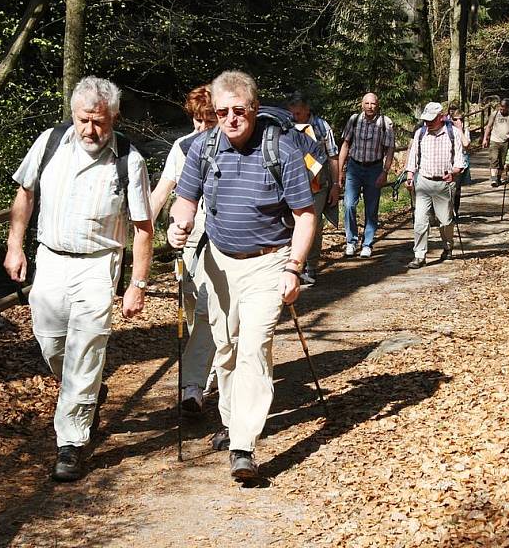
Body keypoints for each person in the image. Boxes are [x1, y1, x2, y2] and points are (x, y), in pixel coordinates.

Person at [167, 70, 315, 479]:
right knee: (226, 349)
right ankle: (232, 424)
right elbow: (185, 200)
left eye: (239, 111)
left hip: (269, 262)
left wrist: (294, 269)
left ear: (253, 108)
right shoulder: (203, 147)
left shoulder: (281, 150)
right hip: (219, 262)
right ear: (213, 113)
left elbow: (305, 216)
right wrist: (178, 225)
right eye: (222, 112)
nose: (231, 119)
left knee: (253, 348)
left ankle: (244, 446)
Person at [4, 76, 153, 481]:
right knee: (51, 342)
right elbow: (25, 194)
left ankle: (71, 442)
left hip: (98, 264)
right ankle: (87, 393)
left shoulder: (129, 160)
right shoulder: (49, 143)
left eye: (99, 122)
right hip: (50, 258)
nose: (91, 130)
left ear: (114, 118)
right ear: (72, 114)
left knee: (85, 349)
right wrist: (15, 245)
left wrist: (136, 284)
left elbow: (142, 227)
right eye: (84, 120)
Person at [150, 85, 217, 414]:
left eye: (206, 120)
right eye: (196, 119)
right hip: (186, 238)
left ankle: (193, 386)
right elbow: (163, 189)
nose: (200, 127)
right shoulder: (183, 146)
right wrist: (141, 229)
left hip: (219, 238)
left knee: (206, 307)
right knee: (192, 309)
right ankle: (211, 365)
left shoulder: (231, 146)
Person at [286, 91, 340, 285]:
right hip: (292, 185)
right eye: (292, 113)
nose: (295, 117)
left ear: (307, 110)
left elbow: (333, 156)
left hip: (318, 186)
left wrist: (336, 184)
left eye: (298, 113)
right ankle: (292, 266)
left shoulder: (321, 127)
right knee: (290, 225)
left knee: (313, 226)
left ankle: (312, 267)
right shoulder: (286, 126)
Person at [404, 102, 466, 269]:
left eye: (431, 119)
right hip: (423, 182)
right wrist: (410, 175)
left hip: (444, 184)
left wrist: (453, 172)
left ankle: (448, 247)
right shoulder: (420, 133)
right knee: (420, 221)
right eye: (425, 119)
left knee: (445, 221)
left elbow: (460, 160)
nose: (427, 123)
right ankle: (419, 255)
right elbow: (413, 157)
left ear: (441, 117)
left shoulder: (452, 133)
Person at [338, 93, 395, 258]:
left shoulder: (385, 123)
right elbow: (345, 145)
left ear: (378, 105)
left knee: (371, 208)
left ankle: (367, 243)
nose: (370, 106)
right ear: (362, 104)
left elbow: (390, 149)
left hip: (374, 168)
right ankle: (351, 241)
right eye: (367, 103)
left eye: (373, 104)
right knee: (348, 205)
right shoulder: (354, 120)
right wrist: (340, 171)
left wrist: (385, 172)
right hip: (354, 168)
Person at [481, 99, 509, 187]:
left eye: (504, 109)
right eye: (501, 108)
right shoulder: (494, 114)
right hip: (494, 140)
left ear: (507, 108)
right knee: (494, 159)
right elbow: (489, 126)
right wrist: (485, 139)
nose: (502, 110)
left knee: (502, 162)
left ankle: (498, 177)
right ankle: (493, 179)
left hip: (505, 141)